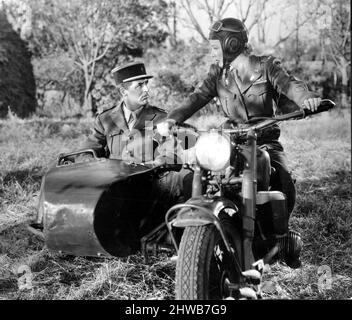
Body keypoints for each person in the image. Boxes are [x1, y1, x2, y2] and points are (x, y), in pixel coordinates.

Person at [157, 18, 322, 268]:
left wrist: (307, 98)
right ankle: (193, 239)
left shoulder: (266, 66)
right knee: (200, 173)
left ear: (231, 43)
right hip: (230, 140)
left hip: (264, 139)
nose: (213, 52)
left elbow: (290, 85)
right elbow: (197, 97)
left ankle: (280, 238)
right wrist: (171, 120)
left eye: (215, 46)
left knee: (284, 179)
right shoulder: (218, 74)